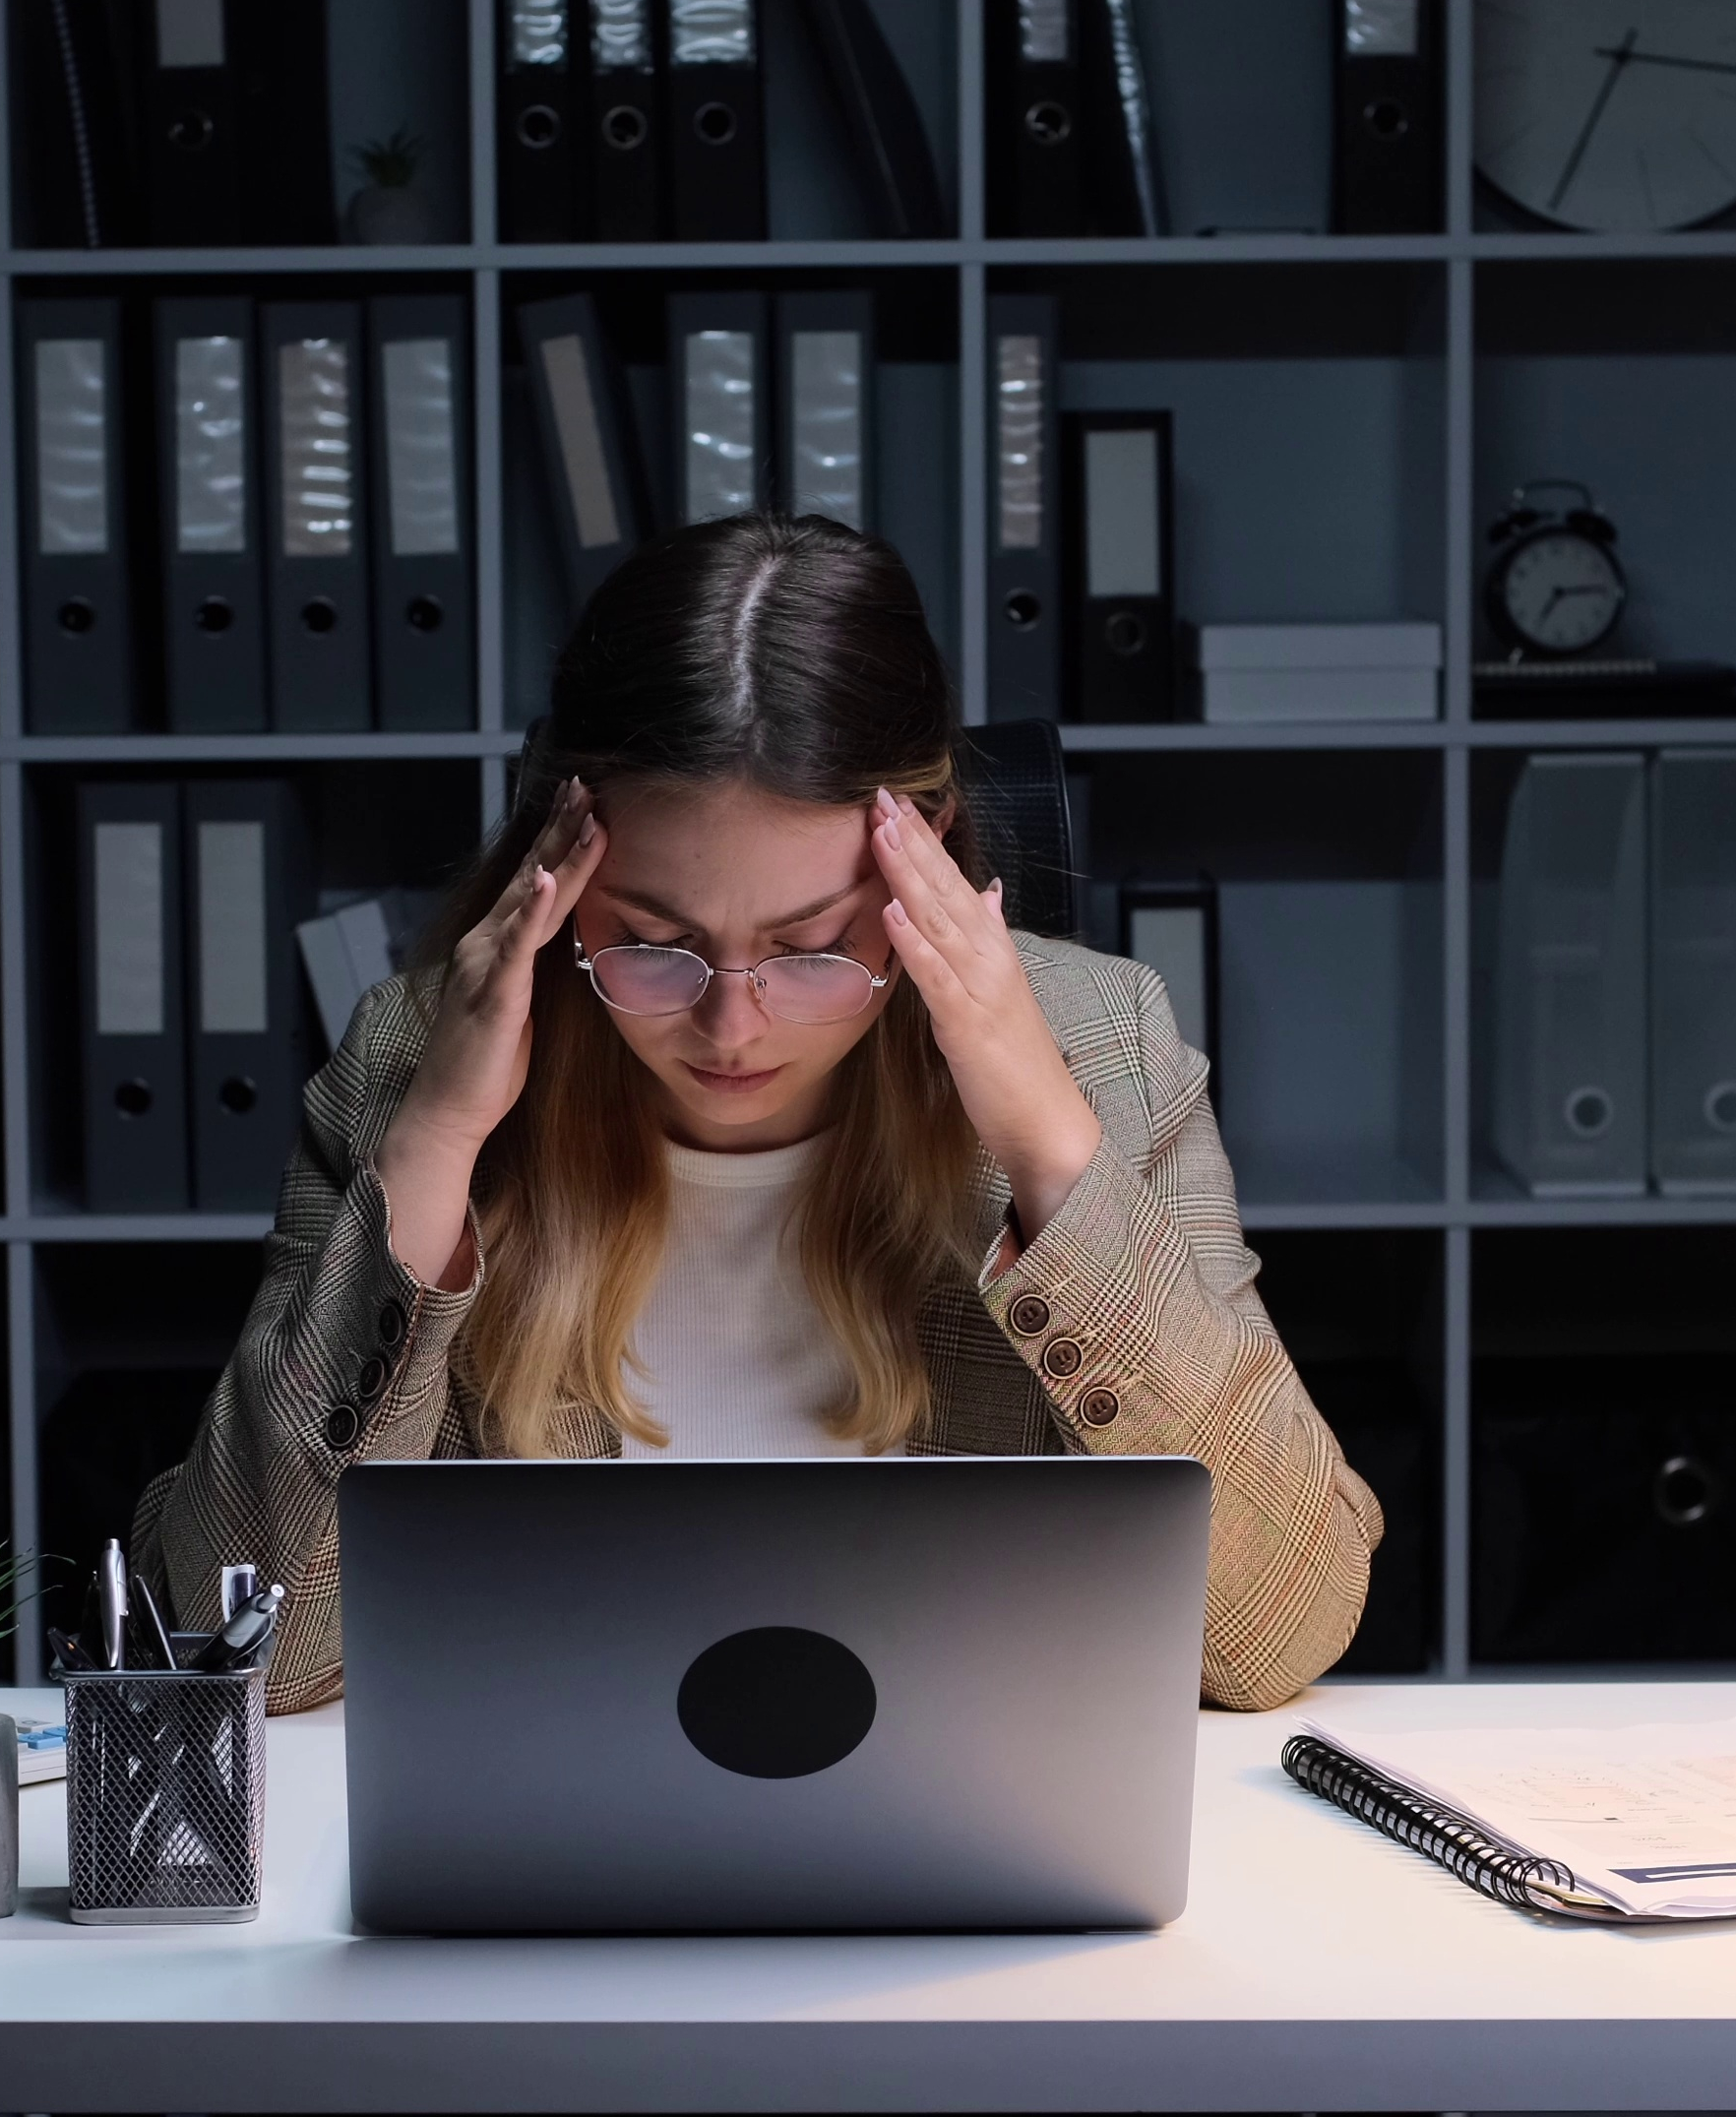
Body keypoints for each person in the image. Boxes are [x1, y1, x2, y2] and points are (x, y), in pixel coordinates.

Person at [138, 512, 1382, 1712]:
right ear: (558, 869)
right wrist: (436, 1147)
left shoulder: (1108, 1051)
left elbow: (1286, 1627)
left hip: (952, 1853)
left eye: (810, 951)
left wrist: (1051, 1145)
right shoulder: (410, 1062)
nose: (732, 1029)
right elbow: (239, 1649)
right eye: (652, 943)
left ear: (927, 854)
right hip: (563, 1860)